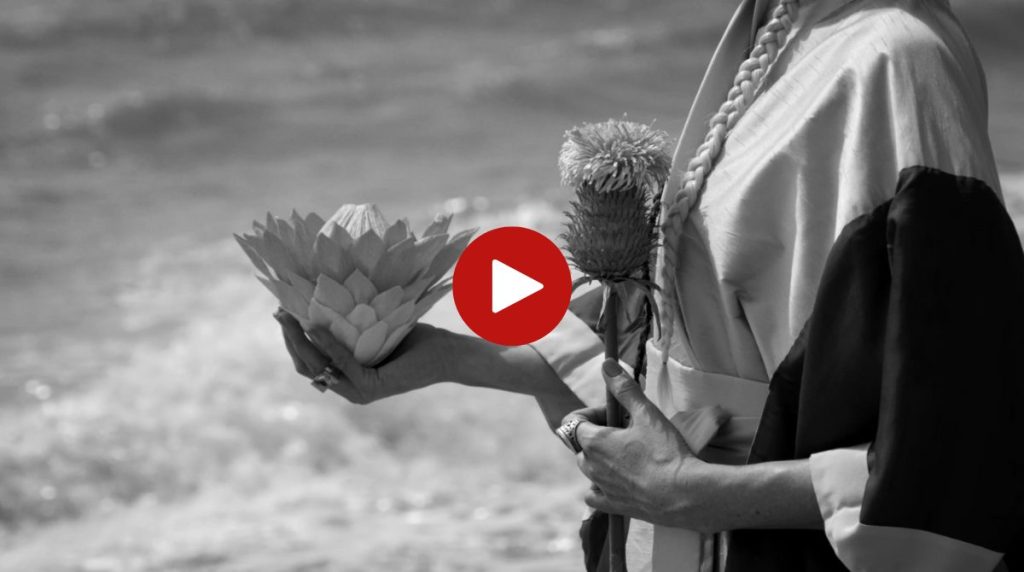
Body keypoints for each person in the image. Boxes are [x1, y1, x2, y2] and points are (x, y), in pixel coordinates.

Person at [277, 0, 1024, 569]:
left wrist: (692, 493)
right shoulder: (781, 27)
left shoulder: (899, 58)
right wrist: (447, 357)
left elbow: (960, 465)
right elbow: (703, 364)